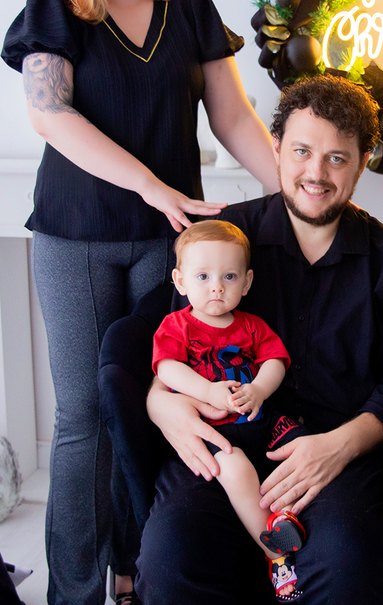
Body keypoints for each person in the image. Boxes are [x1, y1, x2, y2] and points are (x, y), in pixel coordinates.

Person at [0, 0, 279, 605]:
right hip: (76, 236)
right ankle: (76, 592)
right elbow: (50, 115)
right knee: (84, 417)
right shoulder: (55, 10)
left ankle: (140, 577)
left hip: (173, 245)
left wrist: (295, 188)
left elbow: (232, 117)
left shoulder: (188, 10)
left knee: (156, 408)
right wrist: (152, 184)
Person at [135, 75, 383, 604]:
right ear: (276, 148)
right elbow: (167, 349)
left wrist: (338, 447)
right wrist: (160, 405)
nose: (315, 174)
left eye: (337, 158)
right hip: (224, 444)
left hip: (336, 456)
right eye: (301, 151)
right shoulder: (220, 243)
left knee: (347, 565)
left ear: (363, 160)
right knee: (170, 559)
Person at [152, 220, 310, 601]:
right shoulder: (178, 325)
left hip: (260, 418)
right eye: (203, 276)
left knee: (302, 447)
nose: (217, 287)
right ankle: (275, 552)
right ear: (181, 281)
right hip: (217, 433)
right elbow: (167, 367)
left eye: (229, 276)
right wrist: (207, 390)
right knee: (236, 467)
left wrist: (257, 388)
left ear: (247, 282)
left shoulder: (251, 326)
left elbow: (276, 361)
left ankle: (290, 512)